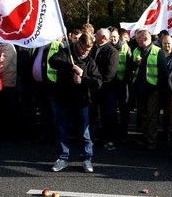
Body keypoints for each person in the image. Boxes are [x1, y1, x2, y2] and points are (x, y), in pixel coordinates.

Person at [48, 33, 102, 173]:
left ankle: (86, 158)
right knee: (61, 129)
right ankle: (62, 157)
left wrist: (83, 79)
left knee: (84, 131)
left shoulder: (90, 61)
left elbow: (98, 82)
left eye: (89, 49)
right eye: (84, 48)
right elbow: (53, 61)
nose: (86, 52)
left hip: (81, 101)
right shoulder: (66, 53)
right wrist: (71, 67)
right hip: (63, 99)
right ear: (78, 44)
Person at [131, 29, 169, 150]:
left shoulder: (158, 51)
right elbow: (129, 67)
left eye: (138, 39)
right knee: (142, 115)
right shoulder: (137, 50)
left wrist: (158, 89)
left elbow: (163, 73)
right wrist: (135, 64)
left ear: (145, 39)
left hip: (153, 90)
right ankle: (145, 136)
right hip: (139, 89)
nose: (137, 42)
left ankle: (151, 141)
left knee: (152, 116)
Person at [91, 28, 119, 150]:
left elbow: (110, 73)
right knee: (92, 114)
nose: (93, 35)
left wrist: (97, 83)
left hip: (106, 89)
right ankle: (93, 137)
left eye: (96, 34)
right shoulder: (93, 48)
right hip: (93, 88)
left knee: (107, 115)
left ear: (103, 38)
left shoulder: (112, 52)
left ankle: (108, 140)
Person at [109, 27, 133, 144]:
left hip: (123, 83)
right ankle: (113, 132)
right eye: (111, 37)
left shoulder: (125, 47)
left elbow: (129, 64)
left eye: (115, 37)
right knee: (111, 108)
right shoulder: (107, 47)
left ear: (118, 37)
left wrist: (126, 79)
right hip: (110, 83)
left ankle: (123, 132)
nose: (113, 39)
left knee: (124, 110)